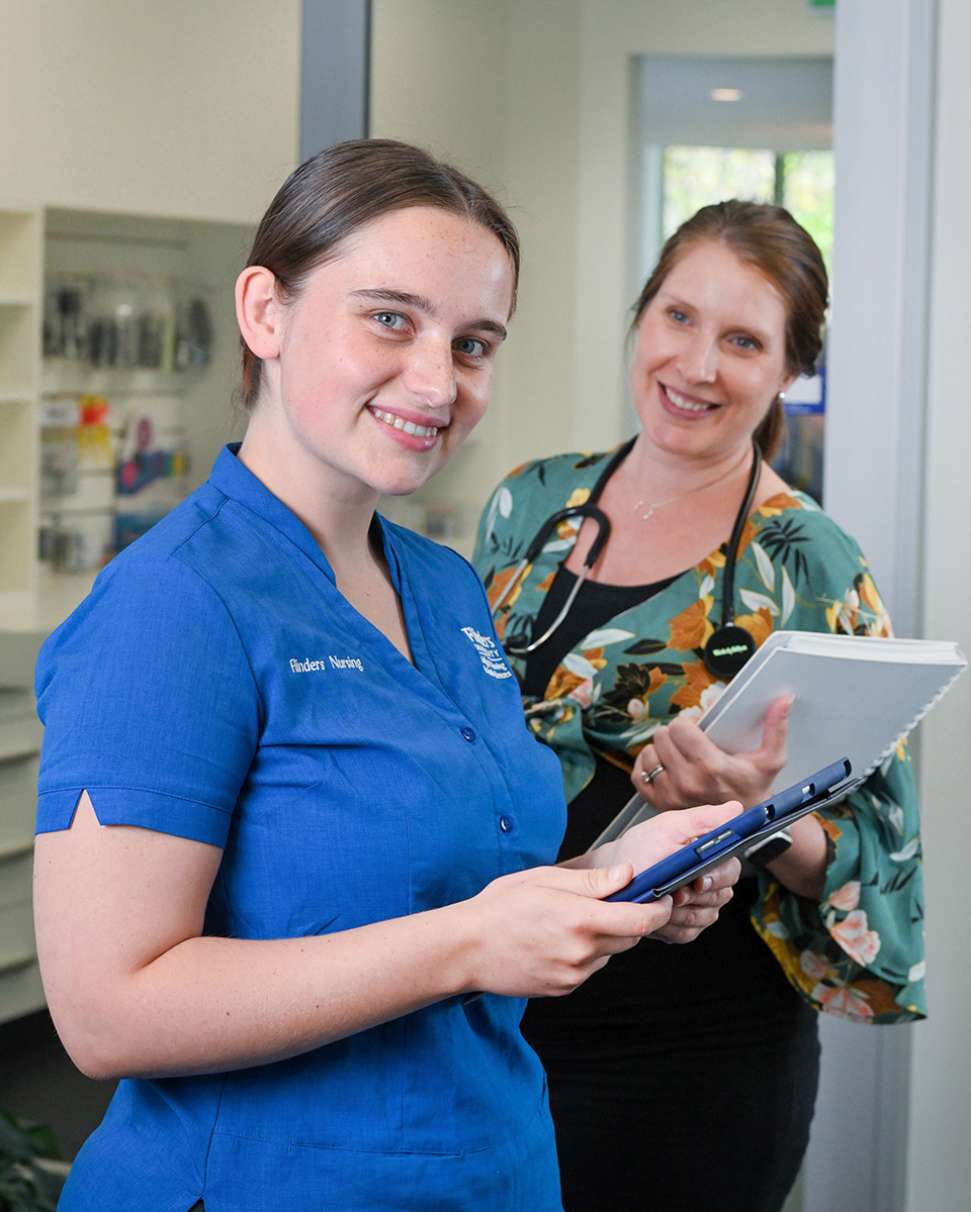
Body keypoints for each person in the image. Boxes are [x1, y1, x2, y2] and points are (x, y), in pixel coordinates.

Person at [32, 141, 742, 1212]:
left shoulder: (446, 589)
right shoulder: (173, 607)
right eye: (389, 318)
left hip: (488, 1169)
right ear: (264, 313)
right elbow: (107, 1012)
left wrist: (617, 884)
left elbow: (457, 880)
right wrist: (468, 944)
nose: (434, 380)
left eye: (471, 343)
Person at [474, 200, 926, 1212]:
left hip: (686, 1058)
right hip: (494, 1019)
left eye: (741, 341)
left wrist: (755, 817)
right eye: (677, 317)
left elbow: (870, 859)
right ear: (640, 318)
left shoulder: (807, 561)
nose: (697, 366)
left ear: (786, 371)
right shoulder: (525, 503)